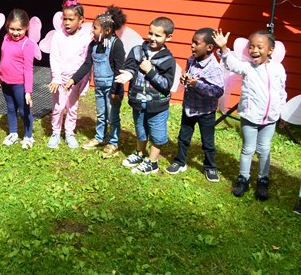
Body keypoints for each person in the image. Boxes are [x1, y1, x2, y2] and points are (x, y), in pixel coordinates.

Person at [213, 29, 286, 200]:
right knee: (247, 149)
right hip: (250, 116)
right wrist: (224, 48)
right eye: (251, 47)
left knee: (264, 149)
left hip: (270, 118)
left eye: (259, 47)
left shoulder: (278, 69)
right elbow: (232, 64)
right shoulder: (247, 67)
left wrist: (281, 112)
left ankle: (262, 180)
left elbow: (281, 91)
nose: (254, 50)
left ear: (271, 50)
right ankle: (243, 179)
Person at [115, 17, 176, 174]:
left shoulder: (168, 60)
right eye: (150, 33)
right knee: (140, 130)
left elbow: (166, 85)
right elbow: (129, 66)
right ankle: (139, 153)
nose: (152, 38)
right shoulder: (137, 50)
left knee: (157, 133)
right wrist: (128, 74)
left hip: (158, 106)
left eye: (158, 35)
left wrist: (150, 70)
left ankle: (153, 162)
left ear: (168, 37)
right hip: (138, 101)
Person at [66, 7, 126, 158]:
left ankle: (113, 142)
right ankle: (100, 137)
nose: (92, 31)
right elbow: (87, 65)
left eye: (95, 28)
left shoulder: (116, 45)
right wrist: (73, 79)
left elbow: (119, 70)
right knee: (101, 114)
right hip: (99, 88)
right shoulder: (93, 45)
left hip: (113, 89)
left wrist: (115, 91)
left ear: (106, 30)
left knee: (112, 116)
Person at [166, 28, 224, 181]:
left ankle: (210, 167)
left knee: (208, 142)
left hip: (206, 112)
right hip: (189, 107)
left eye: (196, 43)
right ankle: (180, 161)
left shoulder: (214, 67)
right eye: (192, 42)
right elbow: (190, 78)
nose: (192, 45)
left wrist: (197, 85)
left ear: (209, 48)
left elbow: (218, 91)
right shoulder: (191, 60)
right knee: (183, 137)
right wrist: (185, 79)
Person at [47, 0, 91, 149]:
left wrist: (82, 82)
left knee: (72, 107)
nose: (67, 23)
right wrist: (57, 78)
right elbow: (54, 57)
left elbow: (86, 62)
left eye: (71, 19)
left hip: (74, 80)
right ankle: (56, 133)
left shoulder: (85, 38)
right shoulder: (58, 36)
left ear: (81, 21)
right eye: (64, 19)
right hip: (59, 79)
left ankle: (70, 133)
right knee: (58, 107)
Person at [0, 8, 36, 149]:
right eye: (12, 29)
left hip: (19, 84)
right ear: (7, 26)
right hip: (6, 82)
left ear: (26, 28)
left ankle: (28, 136)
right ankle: (13, 133)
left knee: (23, 110)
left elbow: (28, 69)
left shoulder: (27, 45)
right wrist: (1, 74)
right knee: (10, 108)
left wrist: (28, 91)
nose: (15, 33)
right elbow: (4, 58)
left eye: (19, 29)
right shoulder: (5, 38)